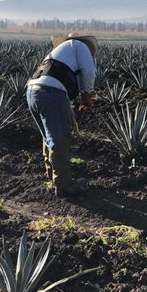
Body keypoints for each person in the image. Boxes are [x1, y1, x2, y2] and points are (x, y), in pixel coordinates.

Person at [26, 32, 98, 198]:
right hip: (51, 93)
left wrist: (71, 107)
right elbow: (88, 70)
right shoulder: (80, 46)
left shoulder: (59, 54)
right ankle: (64, 185)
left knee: (48, 137)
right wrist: (87, 95)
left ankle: (53, 177)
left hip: (33, 92)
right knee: (59, 139)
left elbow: (60, 82)